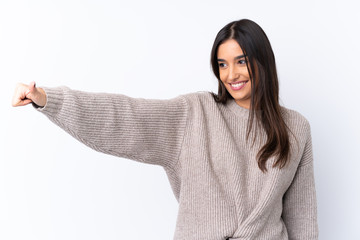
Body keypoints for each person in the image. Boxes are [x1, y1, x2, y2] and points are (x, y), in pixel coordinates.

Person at [12, 19, 319, 240]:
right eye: (222, 64)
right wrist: (50, 100)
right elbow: (125, 118)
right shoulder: (196, 113)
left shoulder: (295, 128)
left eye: (241, 61)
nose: (232, 74)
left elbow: (302, 219)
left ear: (262, 61)